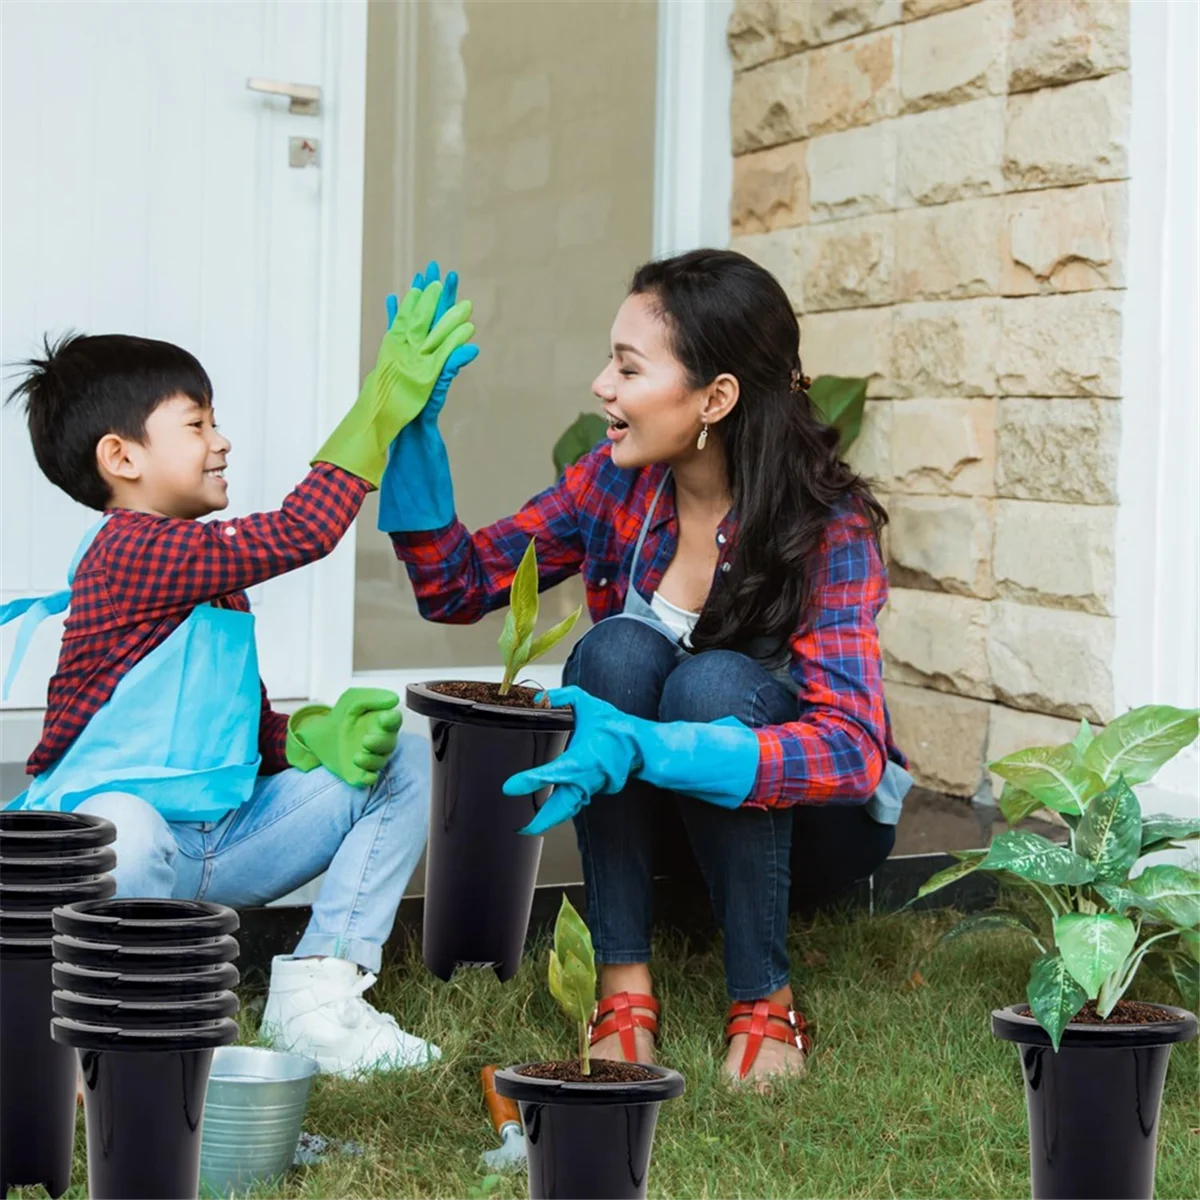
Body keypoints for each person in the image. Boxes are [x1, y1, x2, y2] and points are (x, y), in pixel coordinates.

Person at [381, 251, 910, 1087]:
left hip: (811, 835)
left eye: (629, 368)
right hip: (669, 824)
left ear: (715, 398)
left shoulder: (824, 526)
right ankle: (624, 989)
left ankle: (765, 998)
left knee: (711, 683)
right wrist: (408, 431)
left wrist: (648, 748)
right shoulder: (615, 483)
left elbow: (851, 754)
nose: (603, 387)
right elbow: (459, 586)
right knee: (614, 651)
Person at [0, 281, 474, 1076]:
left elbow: (245, 736)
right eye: (196, 424)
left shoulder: (210, 576)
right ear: (120, 457)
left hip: (216, 845)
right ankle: (110, 1029)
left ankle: (318, 999)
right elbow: (302, 531)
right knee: (126, 823)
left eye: (214, 420)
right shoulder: (129, 551)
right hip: (107, 872)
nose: (220, 441)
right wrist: (376, 412)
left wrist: (315, 736)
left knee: (402, 764)